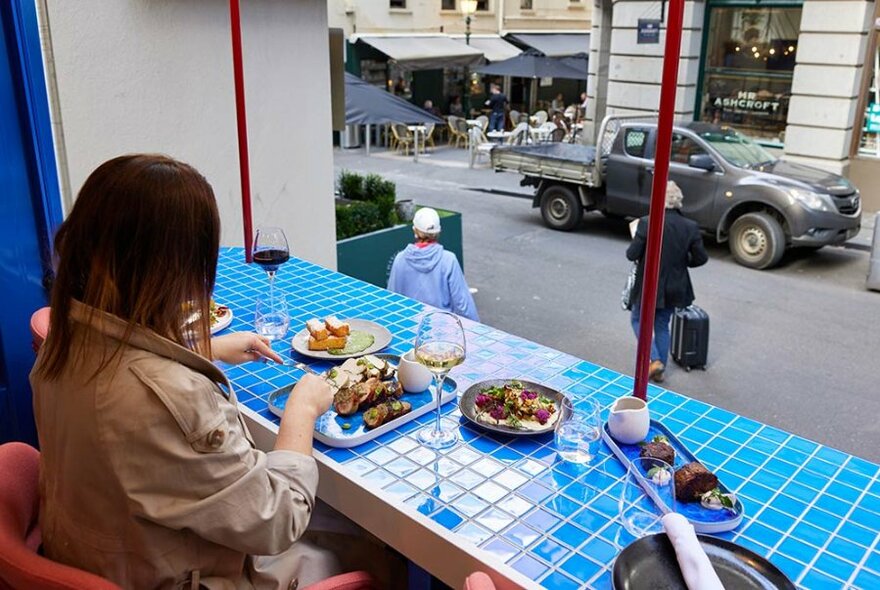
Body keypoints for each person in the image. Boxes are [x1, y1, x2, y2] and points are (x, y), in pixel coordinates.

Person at [30, 154, 343, 589]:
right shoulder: (171, 402)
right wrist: (302, 410)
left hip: (108, 558)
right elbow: (279, 518)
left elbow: (123, 374)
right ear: (174, 268)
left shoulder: (62, 342)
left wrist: (203, 348)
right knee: (364, 545)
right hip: (180, 576)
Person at [626, 181, 708, 382]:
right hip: (675, 286)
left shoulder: (648, 222)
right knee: (662, 324)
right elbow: (701, 258)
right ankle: (659, 368)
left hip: (649, 284)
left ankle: (654, 360)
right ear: (678, 202)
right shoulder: (690, 227)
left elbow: (632, 254)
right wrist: (683, 261)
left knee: (638, 320)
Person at [387, 207, 479, 321]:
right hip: (442, 330)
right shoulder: (449, 260)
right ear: (438, 232)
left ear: (415, 231)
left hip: (409, 328)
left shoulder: (400, 259)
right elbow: (463, 306)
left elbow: (391, 300)